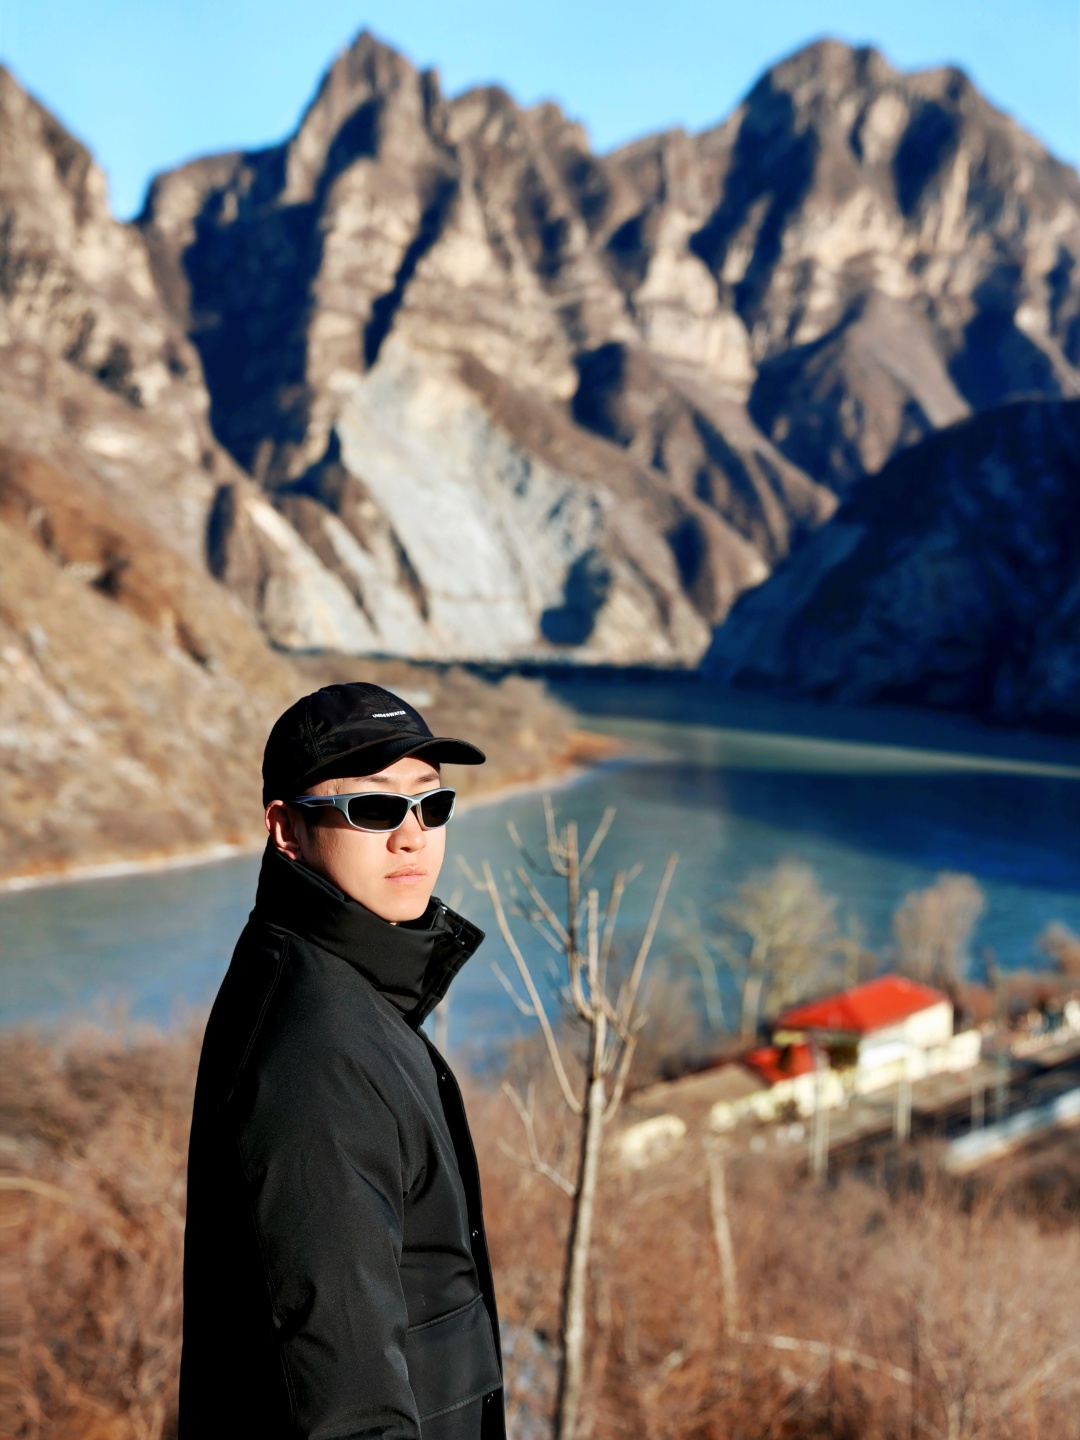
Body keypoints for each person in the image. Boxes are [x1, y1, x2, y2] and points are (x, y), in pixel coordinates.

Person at [179, 682, 504, 1440]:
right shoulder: (317, 1055)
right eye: (374, 807)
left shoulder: (342, 988)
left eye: (432, 803)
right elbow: (343, 1402)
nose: (412, 836)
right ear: (286, 829)